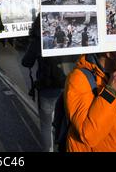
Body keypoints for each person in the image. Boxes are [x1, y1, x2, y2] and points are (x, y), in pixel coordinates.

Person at [22, 14, 71, 152]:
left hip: (47, 87)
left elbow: (26, 62)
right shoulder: (67, 39)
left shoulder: (38, 41)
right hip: (67, 86)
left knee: (46, 125)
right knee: (66, 123)